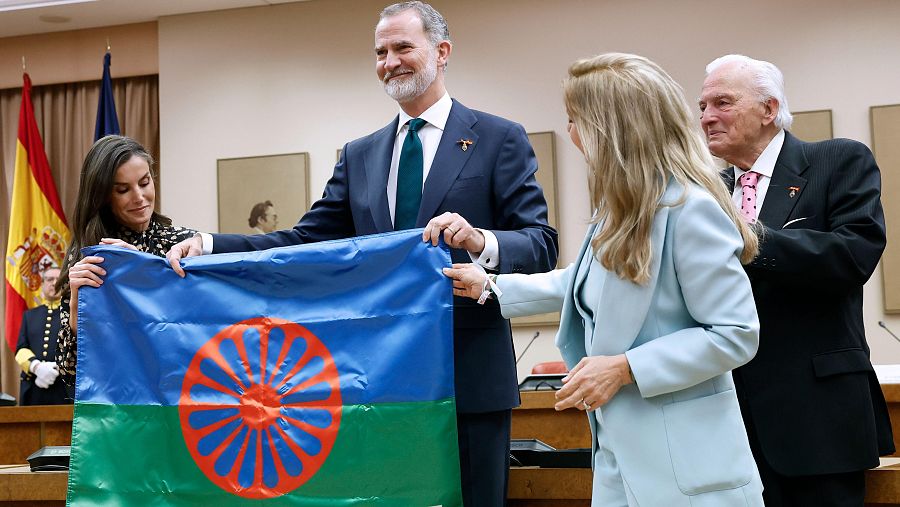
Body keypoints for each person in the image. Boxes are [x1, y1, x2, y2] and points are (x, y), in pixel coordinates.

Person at [165, 2, 557, 504]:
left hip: (469, 381)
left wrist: (481, 241)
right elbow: (304, 241)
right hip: (380, 383)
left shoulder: (498, 138)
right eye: (380, 52)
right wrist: (212, 245)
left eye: (402, 48)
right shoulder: (360, 155)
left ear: (442, 52)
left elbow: (542, 244)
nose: (389, 61)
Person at [445, 53, 764, 506]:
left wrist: (625, 368)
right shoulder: (619, 212)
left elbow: (736, 334)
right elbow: (578, 284)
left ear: (611, 129)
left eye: (575, 120)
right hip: (618, 460)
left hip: (687, 472)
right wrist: (491, 287)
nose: (570, 133)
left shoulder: (690, 210)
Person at [699, 54, 894, 506]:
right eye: (703, 106)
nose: (707, 117)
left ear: (769, 109)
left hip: (817, 422)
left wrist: (748, 237)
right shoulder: (707, 193)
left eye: (722, 102)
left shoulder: (837, 160)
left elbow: (853, 255)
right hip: (726, 423)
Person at [56, 135, 195, 389]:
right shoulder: (87, 254)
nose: (140, 197)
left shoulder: (184, 245)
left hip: (180, 400)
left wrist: (142, 269)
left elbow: (197, 331)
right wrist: (77, 312)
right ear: (103, 196)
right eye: (123, 190)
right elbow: (70, 373)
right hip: (121, 409)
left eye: (145, 182)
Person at [14, 267, 70, 405]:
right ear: (42, 284)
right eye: (49, 279)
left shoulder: (73, 314)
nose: (54, 283)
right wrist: (36, 367)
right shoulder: (30, 315)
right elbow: (21, 348)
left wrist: (59, 366)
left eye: (58, 279)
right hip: (34, 387)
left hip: (64, 388)